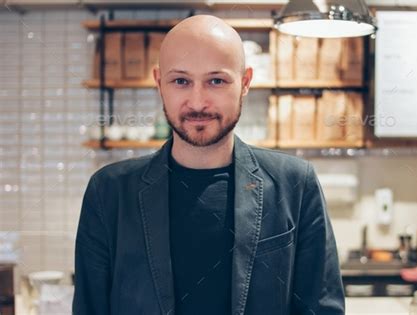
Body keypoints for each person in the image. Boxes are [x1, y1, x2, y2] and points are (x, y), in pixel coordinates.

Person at [73, 14, 344, 315]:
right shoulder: (109, 192)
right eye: (181, 81)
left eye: (216, 80)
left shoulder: (295, 184)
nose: (198, 102)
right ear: (159, 83)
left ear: (244, 83)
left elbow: (322, 309)